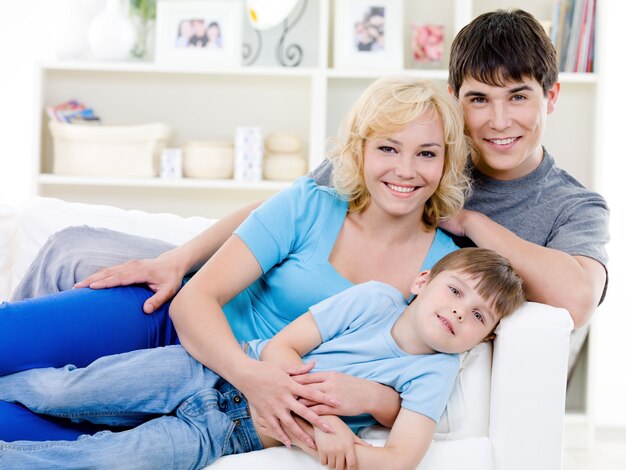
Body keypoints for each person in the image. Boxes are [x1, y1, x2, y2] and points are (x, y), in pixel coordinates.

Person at [7, 6, 610, 442]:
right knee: (70, 254)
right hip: (204, 313)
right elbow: (290, 206)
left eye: (519, 97)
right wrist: (180, 258)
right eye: (479, 98)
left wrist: (475, 222)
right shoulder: (409, 144)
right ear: (456, 100)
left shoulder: (536, 218)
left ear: (550, 97)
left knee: (53, 412)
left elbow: (577, 298)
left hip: (232, 375)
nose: (498, 120)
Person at [0, 76, 470, 446]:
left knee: (27, 432)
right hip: (164, 324)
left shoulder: (448, 274)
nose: (406, 170)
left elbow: (411, 380)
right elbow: (195, 299)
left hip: (219, 409)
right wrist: (253, 377)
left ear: (446, 163)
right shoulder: (312, 204)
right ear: (360, 150)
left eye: (426, 154)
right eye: (388, 147)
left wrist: (373, 399)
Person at [0, 249, 525, 469]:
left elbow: (401, 458)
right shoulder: (373, 299)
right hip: (207, 369)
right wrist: (285, 387)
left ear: (481, 341)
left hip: (226, 433)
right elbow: (283, 344)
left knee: (104, 460)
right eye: (456, 292)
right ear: (423, 282)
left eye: (479, 317)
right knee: (66, 392)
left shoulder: (435, 372)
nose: (460, 314)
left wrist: (340, 446)